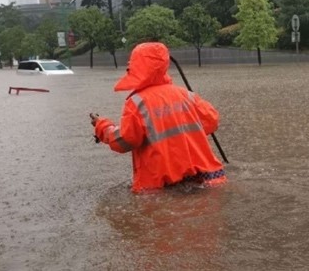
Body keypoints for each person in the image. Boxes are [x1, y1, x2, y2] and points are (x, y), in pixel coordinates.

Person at [90, 41, 227, 193]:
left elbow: (126, 141)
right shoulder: (186, 95)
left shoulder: (136, 103)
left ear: (135, 67)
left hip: (161, 187)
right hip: (206, 179)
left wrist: (102, 126)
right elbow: (212, 121)